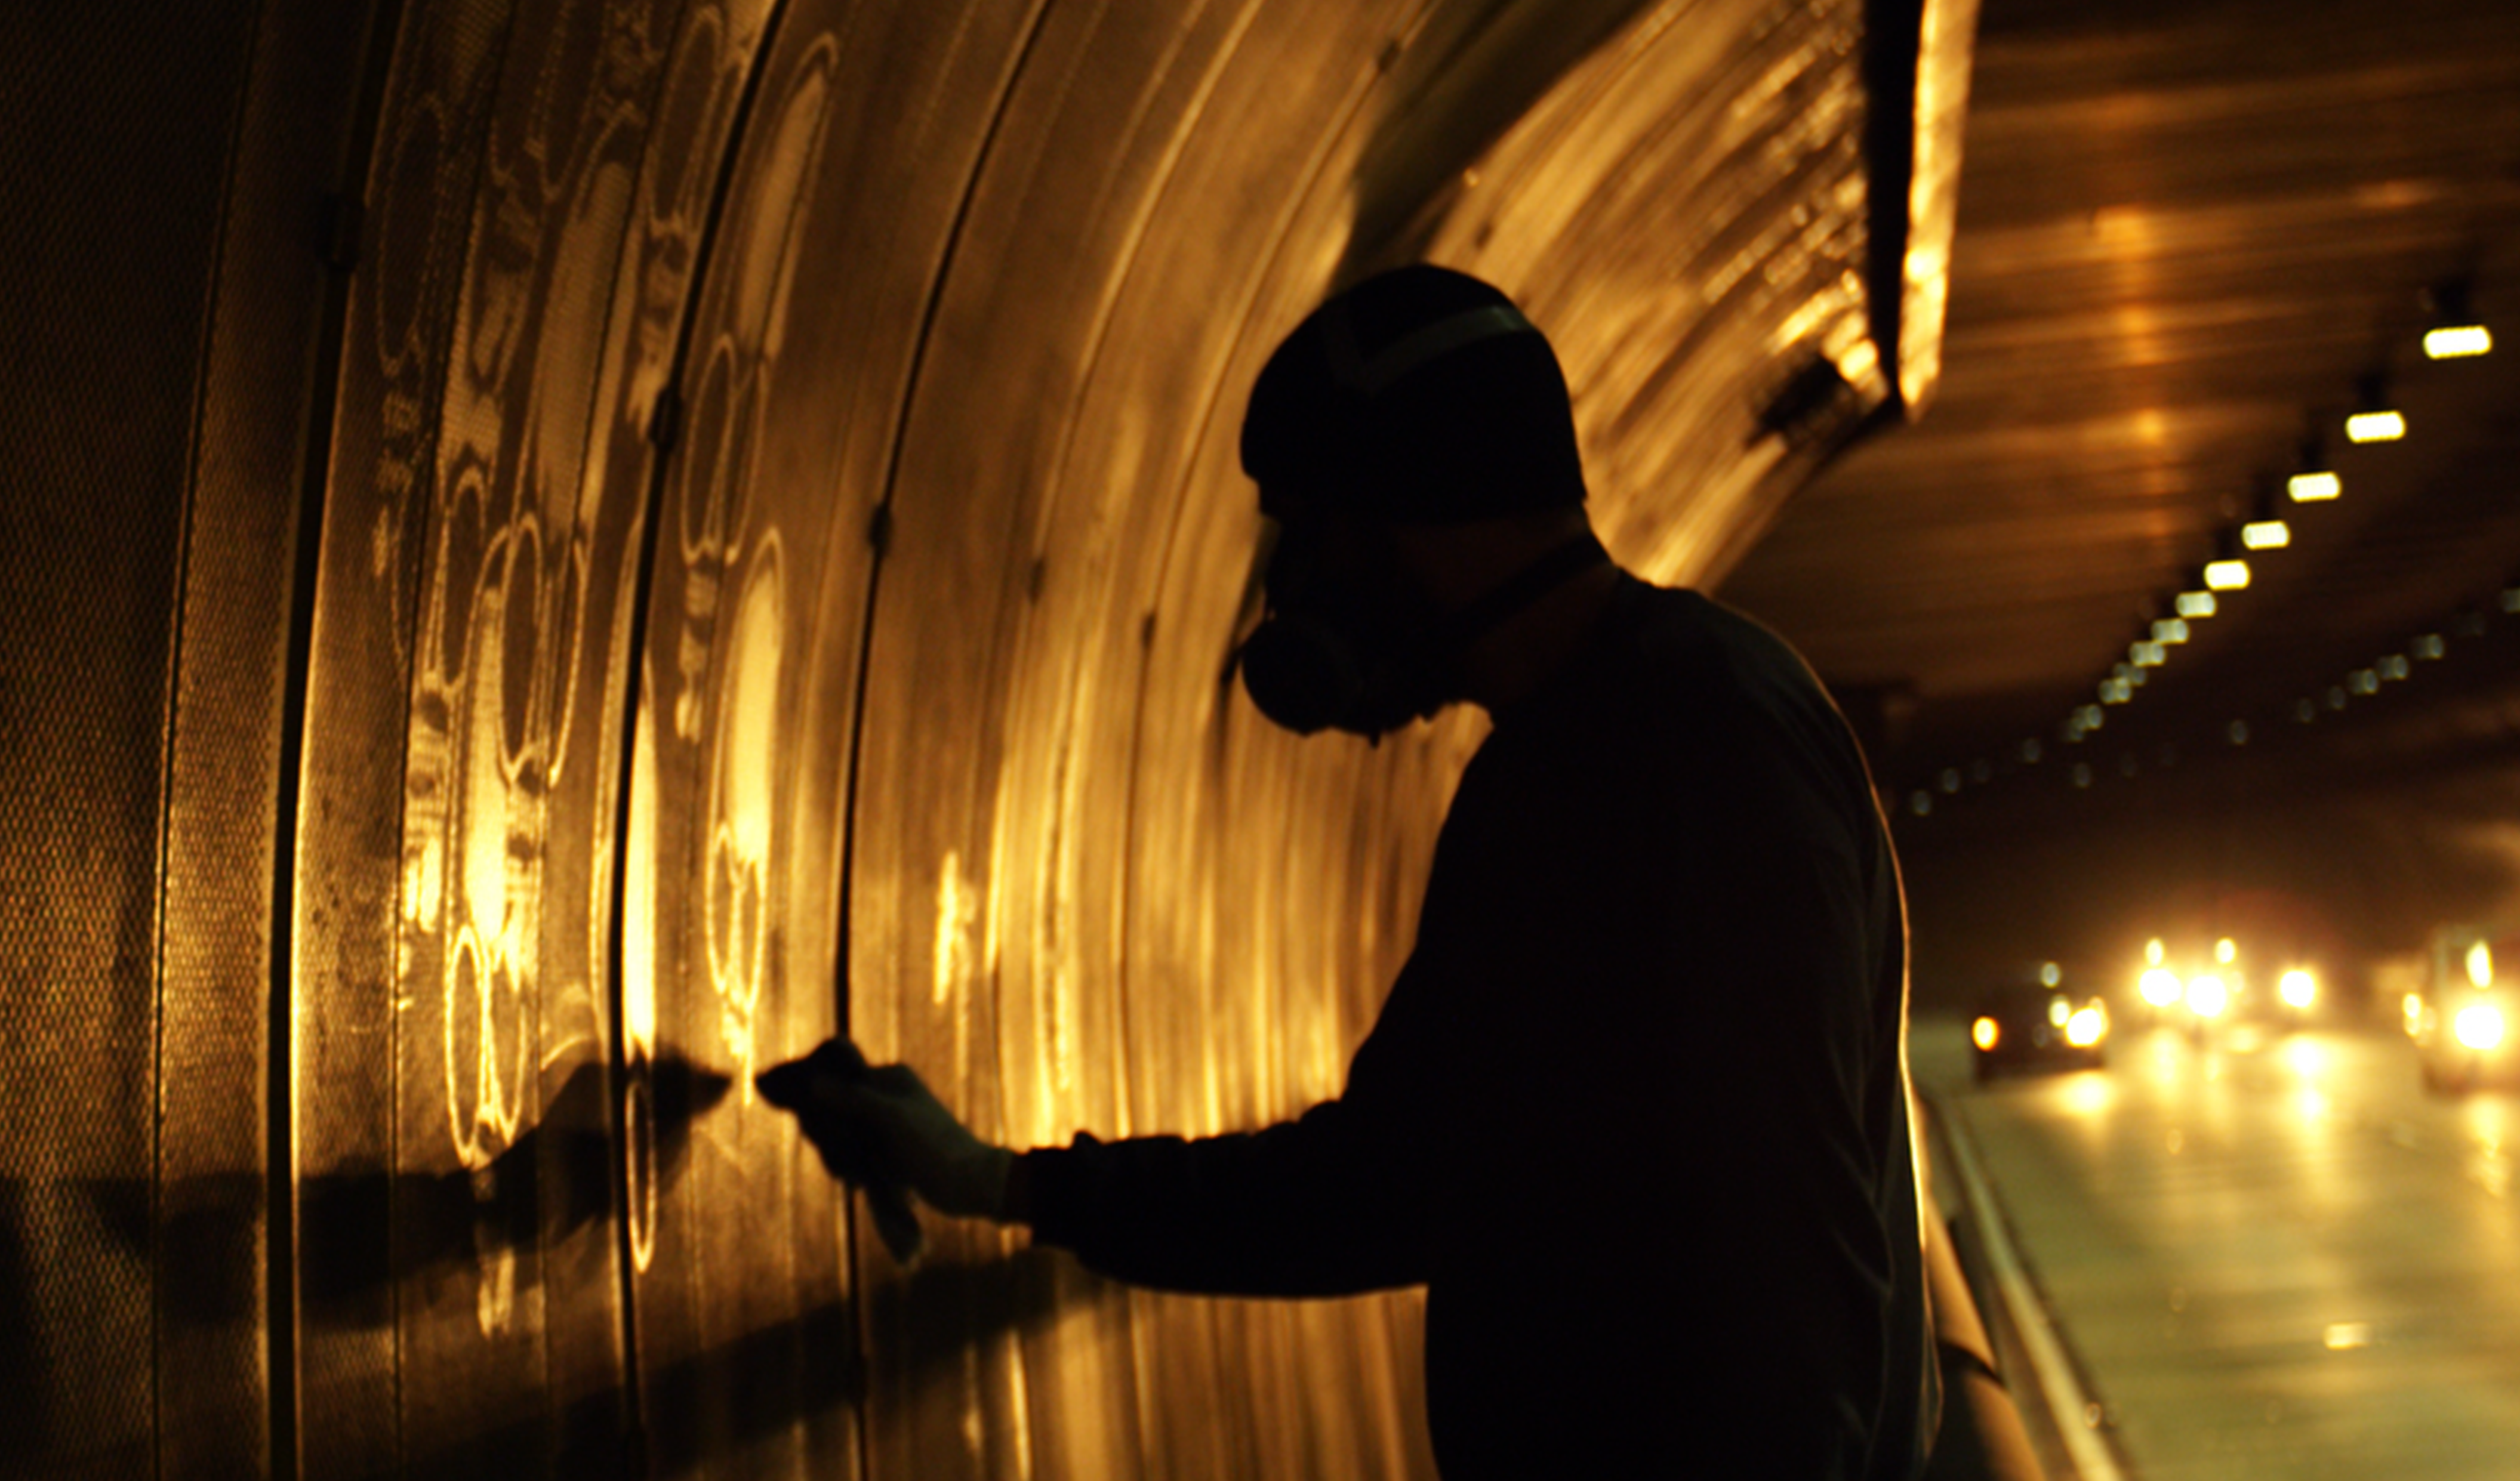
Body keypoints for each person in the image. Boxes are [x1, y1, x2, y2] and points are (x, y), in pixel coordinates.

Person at [765, 265, 1940, 1478]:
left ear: (1414, 502)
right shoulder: (1554, 767)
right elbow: (1395, 1180)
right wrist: (1000, 1181)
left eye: (1305, 524)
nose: (1286, 587)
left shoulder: (1697, 740)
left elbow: (1776, 1251)